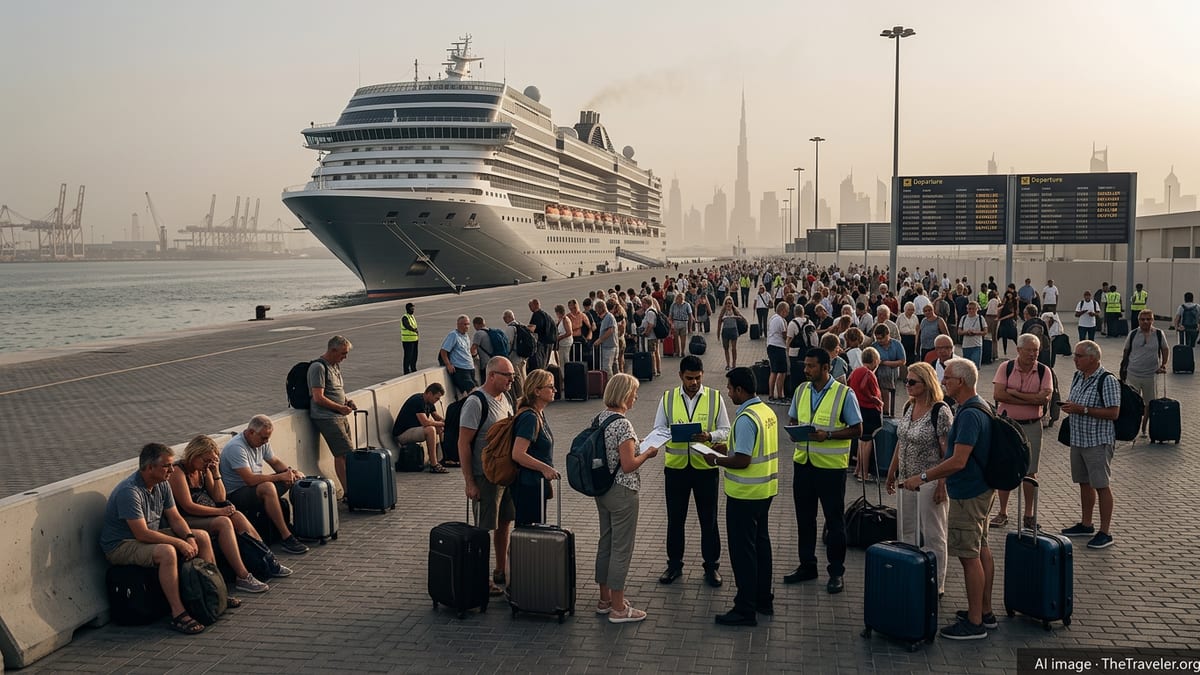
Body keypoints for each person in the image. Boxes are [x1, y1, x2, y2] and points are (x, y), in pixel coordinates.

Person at [900, 358, 995, 640]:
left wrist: (926, 477)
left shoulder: (966, 415)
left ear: (961, 382)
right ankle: (984, 612)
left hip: (968, 492)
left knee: (968, 555)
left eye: (949, 378)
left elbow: (957, 460)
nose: (944, 382)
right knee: (981, 549)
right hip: (981, 489)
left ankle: (975, 621)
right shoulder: (978, 407)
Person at [100, 442, 221, 635]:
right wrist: (179, 543)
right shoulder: (129, 491)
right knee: (167, 552)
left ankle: (212, 591)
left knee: (202, 536)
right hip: (122, 544)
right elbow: (141, 533)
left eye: (172, 465)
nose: (172, 470)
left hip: (147, 536)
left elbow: (174, 517)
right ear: (149, 468)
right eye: (166, 466)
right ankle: (178, 613)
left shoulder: (162, 484)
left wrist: (188, 536)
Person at [782, 348, 863, 595]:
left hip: (830, 469)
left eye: (811, 366)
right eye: (805, 365)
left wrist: (827, 435)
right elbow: (794, 418)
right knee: (805, 520)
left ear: (826, 367)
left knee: (834, 521)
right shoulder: (801, 390)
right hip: (803, 464)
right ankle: (807, 566)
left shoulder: (844, 394)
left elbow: (858, 429)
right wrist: (795, 429)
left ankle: (836, 572)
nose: (806, 370)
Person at [651, 354, 732, 587]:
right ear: (680, 376)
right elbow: (658, 428)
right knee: (675, 520)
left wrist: (709, 435)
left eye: (697, 378)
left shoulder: (715, 398)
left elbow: (726, 430)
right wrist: (672, 433)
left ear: (702, 375)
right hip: (676, 470)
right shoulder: (667, 398)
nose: (694, 383)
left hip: (705, 469)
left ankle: (711, 567)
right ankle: (674, 565)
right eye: (689, 378)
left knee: (709, 520)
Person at [708, 366, 779, 626]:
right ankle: (763, 600)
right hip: (765, 491)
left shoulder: (747, 417)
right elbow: (749, 447)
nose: (728, 393)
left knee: (743, 553)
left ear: (740, 389)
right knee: (761, 547)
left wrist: (716, 459)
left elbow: (743, 460)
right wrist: (727, 447)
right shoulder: (766, 411)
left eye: (729, 388)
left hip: (745, 494)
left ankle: (745, 608)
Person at [168, 435, 280, 593]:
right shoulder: (178, 472)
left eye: (211, 461)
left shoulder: (203, 470)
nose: (207, 464)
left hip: (207, 513)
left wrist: (215, 472)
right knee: (224, 522)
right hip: (187, 519)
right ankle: (242, 576)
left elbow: (219, 497)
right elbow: (188, 506)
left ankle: (267, 559)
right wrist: (219, 511)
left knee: (237, 516)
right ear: (194, 454)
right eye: (206, 460)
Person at [594, 374, 659, 623]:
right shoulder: (623, 424)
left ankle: (605, 599)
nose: (636, 397)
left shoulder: (600, 418)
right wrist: (648, 453)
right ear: (624, 395)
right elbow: (629, 464)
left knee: (606, 542)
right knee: (622, 548)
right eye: (634, 392)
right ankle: (619, 607)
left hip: (603, 489)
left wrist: (636, 446)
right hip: (622, 490)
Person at [885, 362, 951, 596]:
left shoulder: (940, 411)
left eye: (913, 382)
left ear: (927, 383)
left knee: (934, 534)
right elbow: (901, 441)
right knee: (907, 530)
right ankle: (910, 572)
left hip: (929, 480)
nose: (908, 385)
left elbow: (947, 453)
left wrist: (942, 484)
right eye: (907, 381)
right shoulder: (908, 407)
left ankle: (937, 583)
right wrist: (892, 472)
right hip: (906, 480)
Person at [458, 356, 516, 594]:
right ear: (491, 375)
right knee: (483, 528)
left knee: (504, 523)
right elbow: (463, 444)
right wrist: (470, 482)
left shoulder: (506, 398)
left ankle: (500, 569)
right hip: (484, 476)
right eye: (507, 375)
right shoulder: (476, 402)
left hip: (505, 476)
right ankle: (481, 578)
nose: (512, 379)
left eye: (512, 375)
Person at [1059, 340, 1121, 550]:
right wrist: (1071, 407)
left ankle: (1105, 531)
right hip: (1078, 438)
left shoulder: (1107, 380)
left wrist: (1083, 410)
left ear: (1093, 358)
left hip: (1097, 441)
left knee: (1101, 484)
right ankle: (1086, 524)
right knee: (1084, 482)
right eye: (1075, 355)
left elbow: (1114, 412)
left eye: (1079, 356)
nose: (1074, 359)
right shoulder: (1079, 376)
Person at [221, 415, 309, 555]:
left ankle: (302, 526)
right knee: (267, 487)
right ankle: (286, 537)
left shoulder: (261, 441)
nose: (266, 441)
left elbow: (274, 462)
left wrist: (291, 472)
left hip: (254, 487)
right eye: (263, 438)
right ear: (250, 432)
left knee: (290, 479)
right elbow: (249, 480)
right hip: (236, 493)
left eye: (268, 438)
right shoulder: (236, 448)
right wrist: (280, 476)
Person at [990, 334, 1052, 529]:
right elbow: (998, 394)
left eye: (1036, 350)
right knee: (1005, 468)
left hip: (1032, 425)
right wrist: (1030, 398)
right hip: (1007, 425)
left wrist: (1014, 393)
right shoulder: (1005, 367)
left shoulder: (1044, 371)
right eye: (1030, 350)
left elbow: (1043, 400)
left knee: (1030, 471)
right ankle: (1002, 512)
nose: (1033, 354)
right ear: (1019, 350)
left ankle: (1028, 515)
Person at [508, 369, 559, 526]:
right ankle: (516, 552)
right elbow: (518, 454)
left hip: (536, 484)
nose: (555, 390)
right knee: (528, 532)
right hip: (528, 485)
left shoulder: (539, 414)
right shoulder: (529, 417)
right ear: (537, 391)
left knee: (534, 530)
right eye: (550, 386)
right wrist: (545, 468)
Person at [309, 335, 357, 497]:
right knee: (343, 453)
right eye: (343, 353)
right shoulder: (318, 368)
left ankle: (351, 488)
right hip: (327, 417)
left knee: (348, 453)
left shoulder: (335, 366)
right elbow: (318, 397)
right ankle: (349, 492)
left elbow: (337, 390)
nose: (345, 357)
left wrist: (347, 402)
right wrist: (340, 408)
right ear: (333, 350)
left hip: (339, 414)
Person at [1120, 310, 1168, 439]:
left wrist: (1163, 365)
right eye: (1143, 319)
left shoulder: (1158, 334)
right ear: (1139, 320)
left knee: (1149, 403)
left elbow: (1165, 349)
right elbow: (1126, 351)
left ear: (1152, 320)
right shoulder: (1133, 334)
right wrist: (1124, 368)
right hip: (1133, 373)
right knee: (1133, 403)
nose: (1146, 321)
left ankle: (1144, 429)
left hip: (1150, 375)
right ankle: (1132, 428)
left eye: (1148, 319)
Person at [391, 383, 448, 473]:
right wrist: (441, 424)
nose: (437, 400)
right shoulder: (418, 400)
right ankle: (433, 464)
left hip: (413, 430)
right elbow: (425, 422)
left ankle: (442, 458)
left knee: (439, 429)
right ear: (429, 393)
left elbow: (437, 417)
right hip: (402, 434)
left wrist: (446, 422)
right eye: (436, 398)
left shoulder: (429, 402)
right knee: (430, 429)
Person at [849, 347, 884, 482]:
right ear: (875, 360)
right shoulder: (869, 374)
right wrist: (877, 401)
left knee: (860, 440)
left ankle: (858, 469)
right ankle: (864, 473)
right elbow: (874, 393)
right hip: (869, 409)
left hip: (858, 408)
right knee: (867, 441)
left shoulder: (856, 371)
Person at [871, 324, 906, 417]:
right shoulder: (874, 346)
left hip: (892, 370)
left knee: (885, 372)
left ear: (888, 335)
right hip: (878, 371)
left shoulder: (897, 344)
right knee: (882, 373)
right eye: (877, 339)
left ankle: (886, 410)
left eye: (881, 338)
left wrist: (886, 363)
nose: (879, 341)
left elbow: (902, 361)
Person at [440, 315, 477, 398]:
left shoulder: (466, 336)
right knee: (473, 392)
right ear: (458, 324)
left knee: (475, 390)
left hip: (470, 368)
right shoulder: (453, 335)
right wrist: (448, 364)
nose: (467, 326)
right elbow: (443, 351)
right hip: (461, 369)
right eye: (464, 324)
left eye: (468, 324)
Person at [766, 301, 790, 404]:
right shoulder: (780, 320)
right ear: (783, 310)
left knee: (774, 371)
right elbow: (784, 335)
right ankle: (780, 395)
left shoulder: (772, 318)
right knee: (782, 372)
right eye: (787, 311)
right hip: (778, 346)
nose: (787, 313)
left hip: (771, 345)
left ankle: (771, 395)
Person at [528, 298, 557, 371]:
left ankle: (540, 376)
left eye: (530, 306)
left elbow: (532, 329)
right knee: (545, 362)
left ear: (536, 305)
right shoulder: (546, 315)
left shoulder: (536, 315)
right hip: (550, 343)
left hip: (542, 343)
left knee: (539, 363)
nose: (530, 308)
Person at [717, 296, 744, 370]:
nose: (728, 305)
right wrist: (718, 334)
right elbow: (719, 322)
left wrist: (736, 317)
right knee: (726, 348)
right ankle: (728, 364)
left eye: (730, 303)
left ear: (732, 304)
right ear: (725, 304)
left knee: (734, 348)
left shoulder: (734, 310)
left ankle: (734, 363)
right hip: (725, 331)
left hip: (733, 330)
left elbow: (741, 317)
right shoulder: (723, 311)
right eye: (727, 303)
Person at [958, 301, 987, 367]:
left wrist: (975, 332)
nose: (971, 310)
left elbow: (985, 331)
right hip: (966, 346)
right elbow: (959, 331)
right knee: (967, 367)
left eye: (973, 309)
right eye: (969, 309)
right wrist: (966, 332)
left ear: (977, 309)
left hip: (977, 345)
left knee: (975, 366)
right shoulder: (963, 318)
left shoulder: (980, 318)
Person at [594, 299, 618, 376]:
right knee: (609, 367)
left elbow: (610, 331)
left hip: (609, 347)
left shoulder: (609, 317)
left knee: (607, 368)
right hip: (607, 346)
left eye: (597, 310)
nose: (596, 312)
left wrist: (600, 340)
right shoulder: (605, 318)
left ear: (601, 308)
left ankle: (610, 384)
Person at [640, 295, 662, 377]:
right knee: (656, 352)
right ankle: (657, 369)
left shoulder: (650, 312)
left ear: (647, 303)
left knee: (652, 353)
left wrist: (646, 333)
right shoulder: (652, 311)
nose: (642, 305)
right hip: (654, 336)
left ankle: (653, 370)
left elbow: (651, 324)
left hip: (651, 336)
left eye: (643, 303)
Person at [552, 304, 574, 370]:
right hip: (562, 343)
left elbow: (569, 332)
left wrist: (559, 337)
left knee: (564, 360)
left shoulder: (565, 320)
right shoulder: (561, 319)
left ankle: (565, 375)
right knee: (561, 360)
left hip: (565, 344)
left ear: (558, 312)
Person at [400, 303, 419, 375]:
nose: (413, 310)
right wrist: (414, 330)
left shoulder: (412, 316)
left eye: (413, 309)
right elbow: (407, 325)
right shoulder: (405, 317)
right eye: (412, 309)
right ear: (408, 309)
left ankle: (413, 368)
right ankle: (406, 370)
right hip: (407, 340)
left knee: (415, 355)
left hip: (414, 339)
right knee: (408, 356)